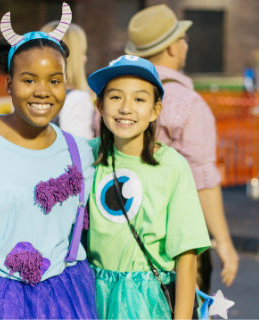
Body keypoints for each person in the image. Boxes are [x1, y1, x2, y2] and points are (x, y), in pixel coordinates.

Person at [0, 5, 98, 318]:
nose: (43, 91)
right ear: (9, 83)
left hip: (64, 302)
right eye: (29, 80)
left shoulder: (81, 152)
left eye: (54, 81)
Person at [84, 56, 210, 319]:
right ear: (100, 106)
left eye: (139, 99)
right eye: (115, 97)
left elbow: (186, 257)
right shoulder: (84, 156)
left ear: (155, 110)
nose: (126, 108)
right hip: (92, 296)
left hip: (147, 303)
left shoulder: (173, 166)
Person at [124, 4, 238, 291]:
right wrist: (224, 241)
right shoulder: (187, 103)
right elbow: (202, 179)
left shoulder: (114, 98)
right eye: (184, 39)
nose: (186, 45)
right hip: (172, 240)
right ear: (172, 48)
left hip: (120, 229)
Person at [40, 21, 95, 139]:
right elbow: (78, 146)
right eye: (83, 52)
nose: (85, 58)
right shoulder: (77, 99)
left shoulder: (24, 93)